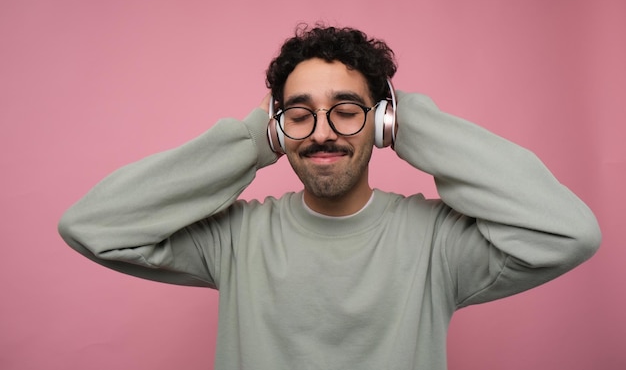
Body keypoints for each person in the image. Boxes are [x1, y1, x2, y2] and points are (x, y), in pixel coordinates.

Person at [59, 24, 601, 370]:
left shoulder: (438, 243)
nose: (322, 132)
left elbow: (569, 234)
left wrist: (415, 124)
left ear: (382, 123)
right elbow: (93, 225)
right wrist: (251, 141)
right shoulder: (235, 239)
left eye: (346, 109)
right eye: (299, 114)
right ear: (279, 130)